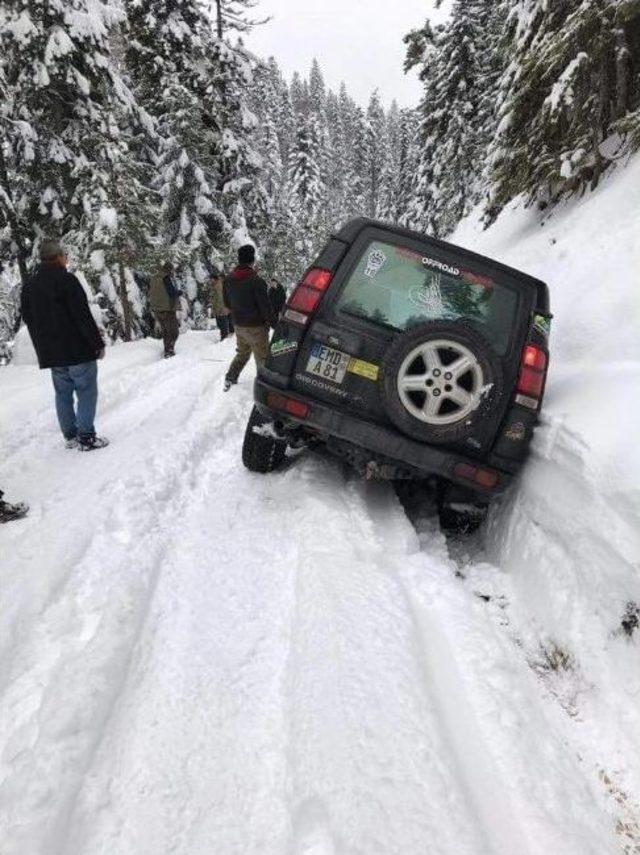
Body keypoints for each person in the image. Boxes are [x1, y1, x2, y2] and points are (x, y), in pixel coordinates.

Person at [21, 239, 109, 452]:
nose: (66, 260)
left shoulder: (29, 286)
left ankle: (70, 435)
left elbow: (29, 319)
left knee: (62, 393)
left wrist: (42, 348)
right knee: (86, 391)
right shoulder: (67, 280)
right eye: (65, 256)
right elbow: (82, 316)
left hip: (52, 353)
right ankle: (86, 437)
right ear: (59, 257)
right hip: (77, 350)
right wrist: (97, 344)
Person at [222, 245, 275, 391]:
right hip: (256, 327)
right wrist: (275, 323)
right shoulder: (257, 281)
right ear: (252, 260)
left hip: (239, 325)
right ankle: (264, 388)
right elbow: (265, 307)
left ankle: (230, 377)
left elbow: (227, 303)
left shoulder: (228, 279)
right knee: (263, 358)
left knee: (243, 353)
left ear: (239, 259)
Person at [149, 262, 182, 358]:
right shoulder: (166, 278)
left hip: (157, 310)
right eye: (172, 270)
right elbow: (172, 293)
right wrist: (179, 292)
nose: (173, 272)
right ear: (169, 269)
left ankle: (167, 349)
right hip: (167, 309)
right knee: (173, 332)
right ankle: (169, 350)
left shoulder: (154, 278)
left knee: (165, 331)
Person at [210, 270, 234, 341]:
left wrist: (221, 308)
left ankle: (224, 337)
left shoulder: (218, 286)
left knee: (222, 324)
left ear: (214, 279)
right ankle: (226, 336)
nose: (210, 281)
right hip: (220, 308)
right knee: (221, 323)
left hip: (221, 308)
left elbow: (220, 298)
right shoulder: (215, 285)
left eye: (211, 279)